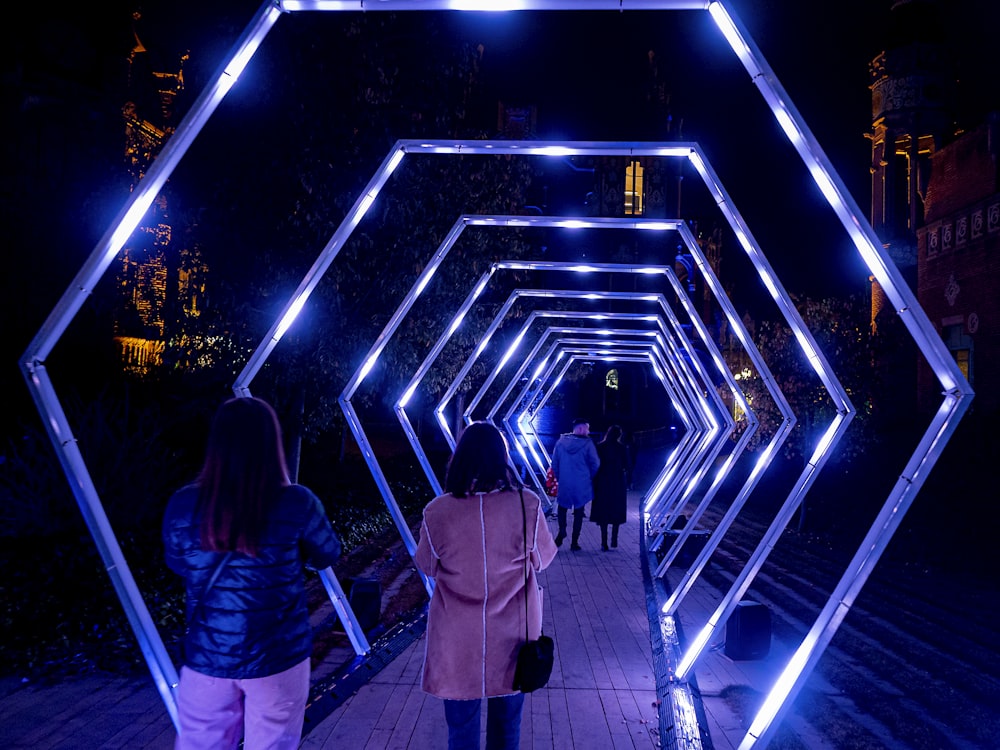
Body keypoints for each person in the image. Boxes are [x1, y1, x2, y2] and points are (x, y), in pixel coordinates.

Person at [162, 396, 342, 750]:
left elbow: (179, 564)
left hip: (207, 658)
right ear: (271, 443)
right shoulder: (297, 502)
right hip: (278, 656)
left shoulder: (183, 504)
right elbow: (327, 554)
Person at [415, 421, 558, 750]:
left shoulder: (438, 512)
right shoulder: (527, 504)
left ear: (460, 458)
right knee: (507, 729)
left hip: (456, 644)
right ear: (502, 458)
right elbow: (543, 559)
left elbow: (427, 565)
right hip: (513, 642)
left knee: (461, 732)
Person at [550, 417, 600, 551]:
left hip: (565, 481)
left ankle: (562, 531)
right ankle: (574, 542)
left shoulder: (560, 442)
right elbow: (595, 463)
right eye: (587, 428)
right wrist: (589, 476)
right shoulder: (588, 444)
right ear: (581, 429)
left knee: (562, 508)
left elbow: (554, 463)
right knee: (579, 511)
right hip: (582, 483)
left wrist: (561, 476)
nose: (588, 431)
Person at [590, 425, 629, 551]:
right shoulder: (622, 448)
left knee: (603, 513)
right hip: (617, 483)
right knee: (616, 511)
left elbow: (595, 464)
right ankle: (614, 539)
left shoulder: (600, 447)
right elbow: (627, 465)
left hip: (602, 482)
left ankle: (603, 542)